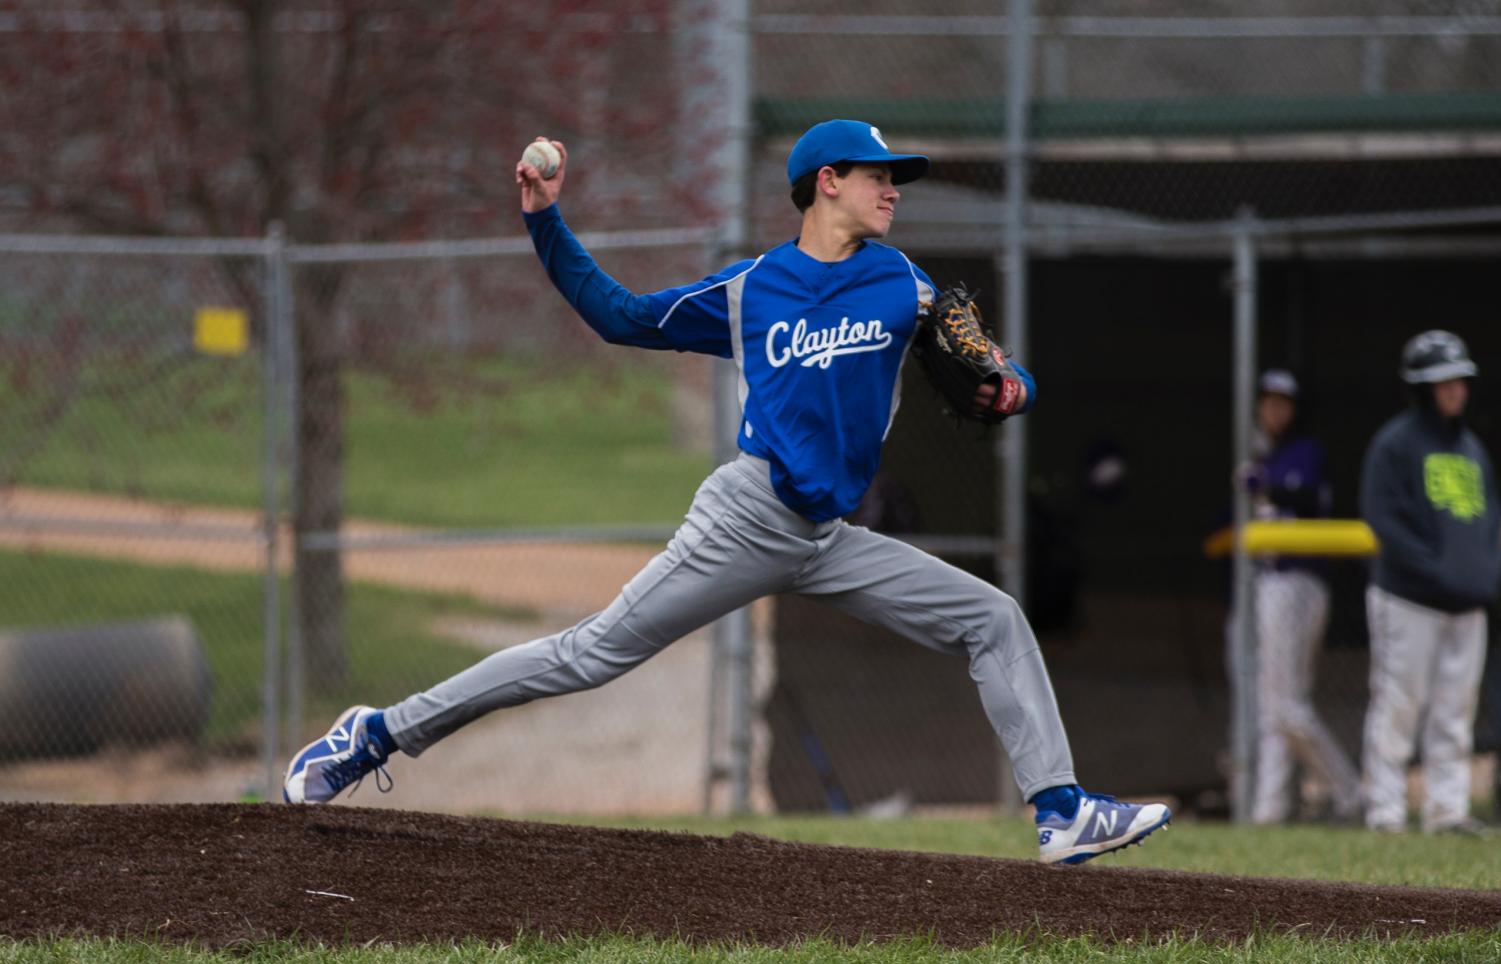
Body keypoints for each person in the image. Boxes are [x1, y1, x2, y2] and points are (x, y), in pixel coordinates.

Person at [282, 119, 1171, 864]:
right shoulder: (752, 291)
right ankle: (377, 732)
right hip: (745, 519)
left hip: (829, 536)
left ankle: (1059, 810)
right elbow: (620, 317)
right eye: (879, 177)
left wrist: (1010, 385)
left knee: (993, 618)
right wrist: (546, 221)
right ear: (828, 183)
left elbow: (991, 364)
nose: (893, 189)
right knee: (585, 655)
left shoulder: (899, 279)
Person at [1359, 331, 1501, 834]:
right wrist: (1436, 570)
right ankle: (1386, 810)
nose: (1454, 389)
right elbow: (1383, 519)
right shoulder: (1395, 444)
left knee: (1455, 711)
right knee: (1399, 704)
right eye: (1442, 381)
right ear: (1420, 386)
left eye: (1459, 379)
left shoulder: (1472, 449)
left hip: (1467, 605)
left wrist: (1483, 575)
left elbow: (1488, 523)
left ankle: (1446, 810)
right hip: (1409, 599)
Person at [1240, 370, 1360, 824]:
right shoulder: (1261, 454)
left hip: (1298, 582)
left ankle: (1349, 789)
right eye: (1268, 402)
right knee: (1275, 708)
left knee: (1287, 706)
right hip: (1273, 580)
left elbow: (1306, 496)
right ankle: (1268, 810)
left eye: (1283, 403)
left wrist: (1263, 483)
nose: (1275, 411)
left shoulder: (1305, 453)